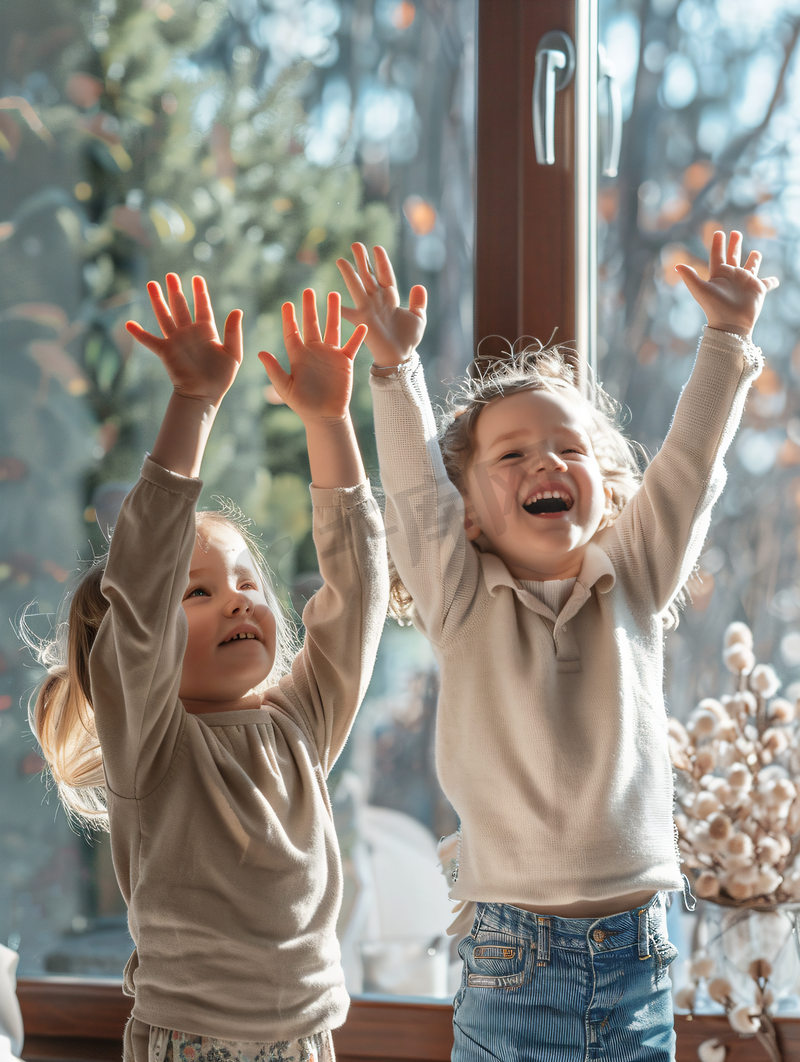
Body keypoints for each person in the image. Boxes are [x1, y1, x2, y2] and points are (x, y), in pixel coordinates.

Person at [336, 231, 778, 1061]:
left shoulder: (635, 576)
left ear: (605, 486)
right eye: (513, 454)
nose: (547, 459)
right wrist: (395, 373)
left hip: (638, 962)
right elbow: (412, 494)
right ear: (468, 513)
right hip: (510, 964)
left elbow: (686, 467)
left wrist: (725, 341)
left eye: (569, 448)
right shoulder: (461, 598)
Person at [27, 274, 388, 1062]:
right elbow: (141, 584)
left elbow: (357, 592)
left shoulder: (300, 724)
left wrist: (328, 424)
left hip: (306, 1038)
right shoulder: (152, 746)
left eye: (249, 584)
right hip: (194, 1041)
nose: (237, 602)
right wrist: (193, 403)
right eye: (199, 592)